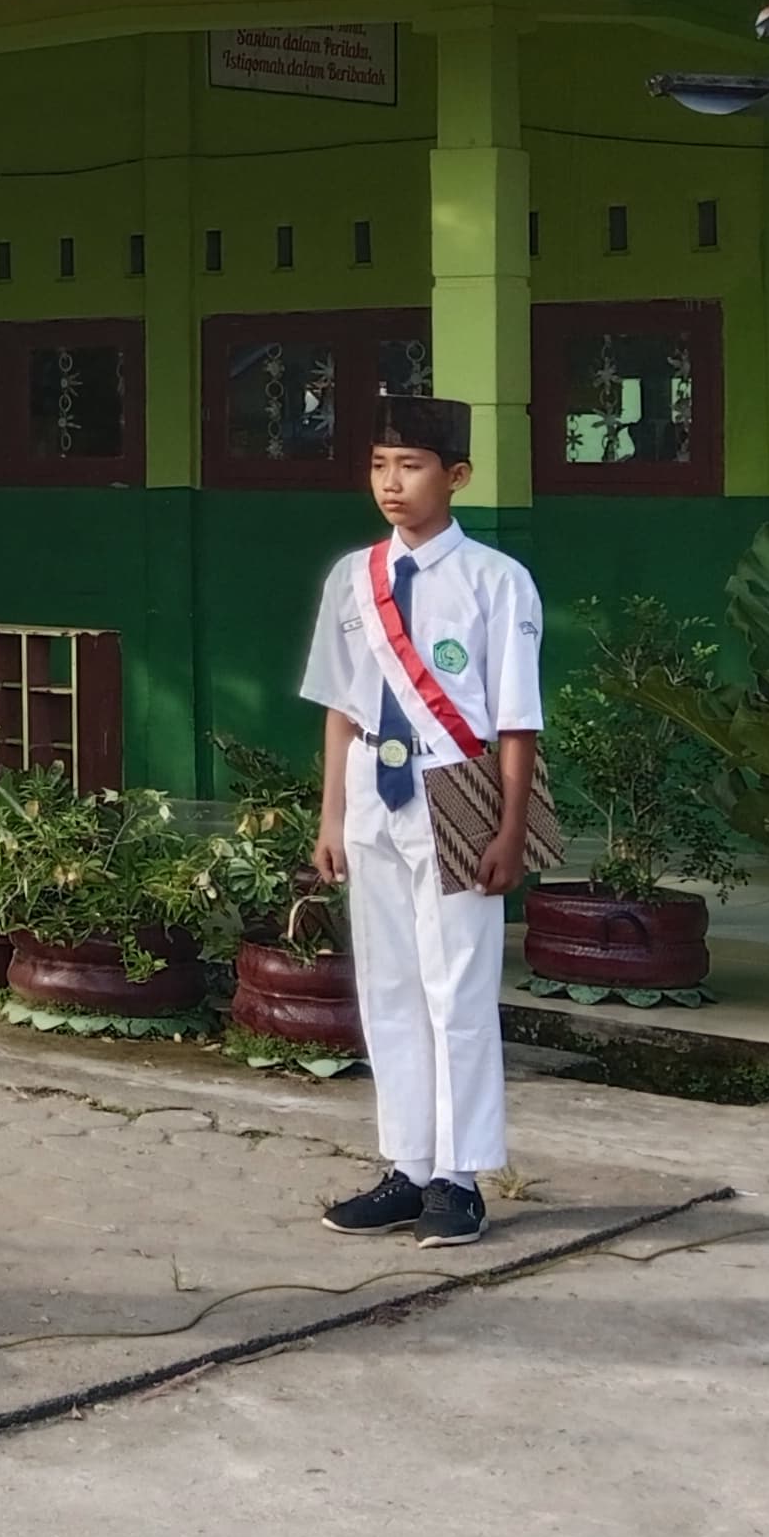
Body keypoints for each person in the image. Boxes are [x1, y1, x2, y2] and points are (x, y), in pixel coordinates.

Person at [305, 392, 555, 1251]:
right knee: (388, 987)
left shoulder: (496, 581)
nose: (391, 483)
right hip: (374, 788)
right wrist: (331, 815)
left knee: (457, 989)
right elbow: (341, 705)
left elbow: (517, 721)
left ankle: (461, 1176)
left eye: (410, 466)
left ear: (457, 476)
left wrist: (510, 829)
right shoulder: (354, 578)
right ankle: (407, 1166)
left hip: (459, 790)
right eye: (379, 465)